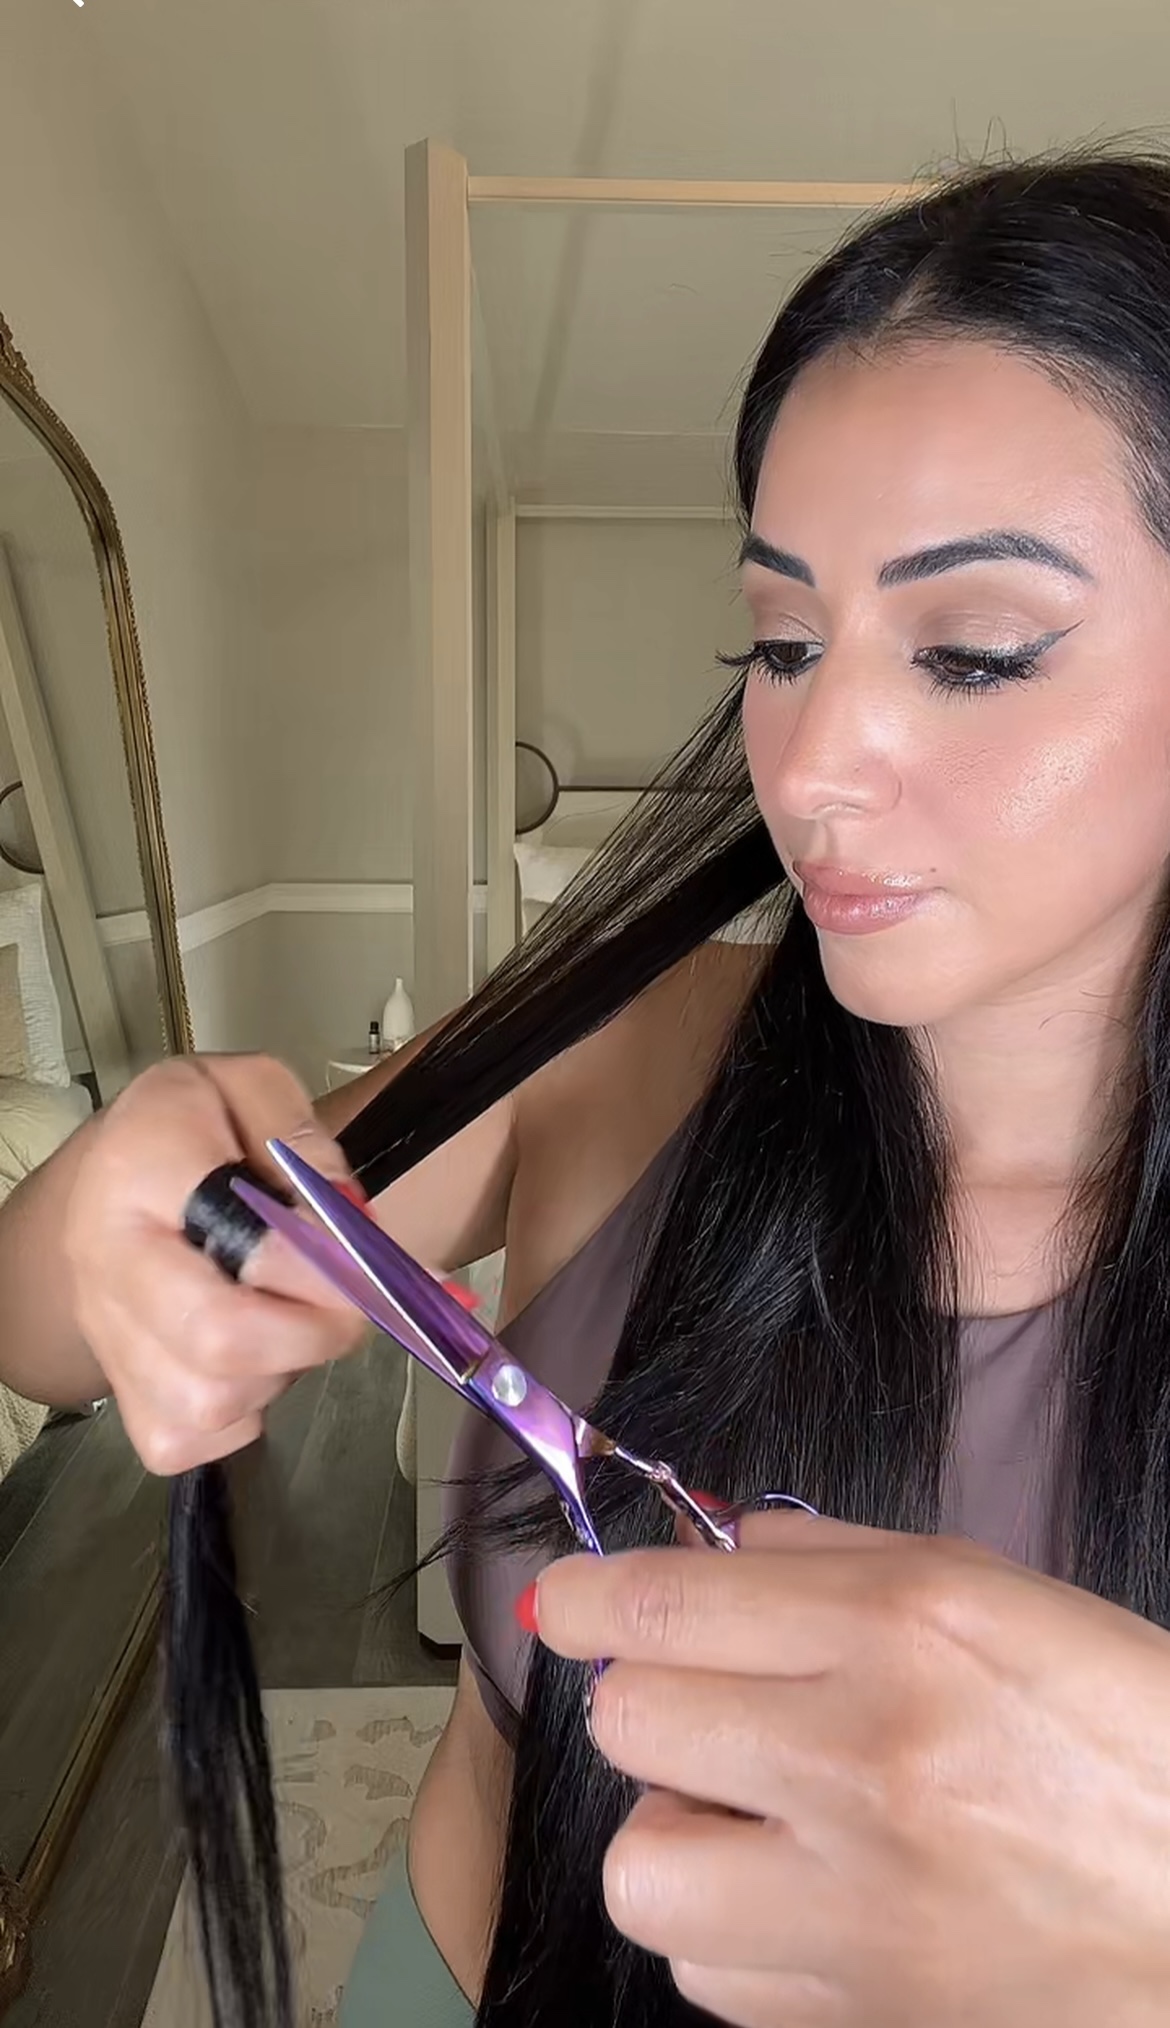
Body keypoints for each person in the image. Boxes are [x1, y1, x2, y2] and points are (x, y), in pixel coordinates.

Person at [8, 148, 1170, 2026]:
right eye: (783, 643)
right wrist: (118, 1217)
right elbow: (43, 1337)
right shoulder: (632, 1053)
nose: (815, 764)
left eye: (971, 652)